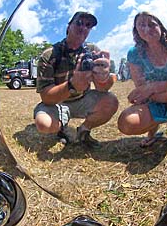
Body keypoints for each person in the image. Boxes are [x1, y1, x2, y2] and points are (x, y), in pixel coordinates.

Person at [34, 11, 119, 148]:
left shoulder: (92, 51)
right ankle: (62, 127)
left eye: (88, 25)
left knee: (111, 101)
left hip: (83, 99)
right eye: (79, 23)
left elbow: (103, 89)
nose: (83, 28)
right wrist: (72, 85)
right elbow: (46, 97)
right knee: (44, 124)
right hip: (57, 102)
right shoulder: (50, 54)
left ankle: (84, 131)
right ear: (68, 27)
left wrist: (105, 77)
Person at [117, 12, 167, 148]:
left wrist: (153, 87)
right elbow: (143, 91)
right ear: (136, 31)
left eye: (152, 24)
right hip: (155, 100)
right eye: (141, 25)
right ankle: (152, 131)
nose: (147, 29)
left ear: (161, 27)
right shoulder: (134, 54)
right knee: (126, 122)